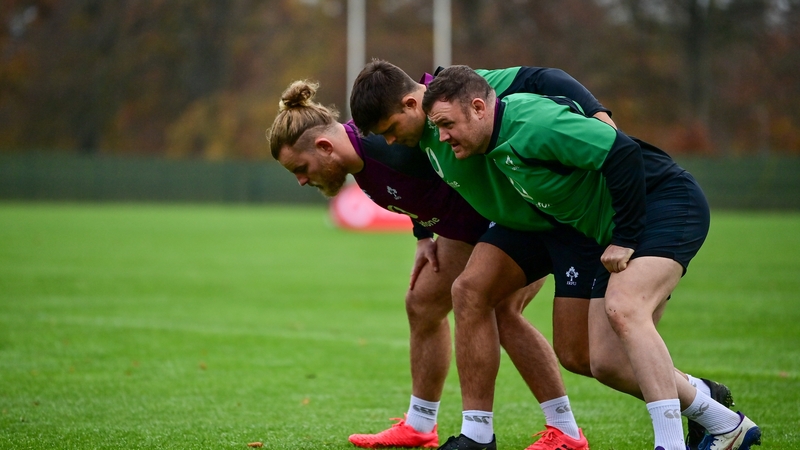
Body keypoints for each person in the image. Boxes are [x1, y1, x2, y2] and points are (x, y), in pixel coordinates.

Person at [350, 60, 738, 450]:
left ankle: (667, 436)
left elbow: (589, 122)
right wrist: (423, 234)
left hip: (624, 214)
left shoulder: (509, 114)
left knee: (620, 318)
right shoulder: (436, 132)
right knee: (575, 351)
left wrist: (598, 118)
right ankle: (478, 434)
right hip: (552, 221)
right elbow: (418, 191)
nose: (392, 142)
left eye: (392, 130)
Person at [267, 79, 592, 450]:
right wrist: (422, 235)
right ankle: (420, 425)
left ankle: (564, 430)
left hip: (514, 220)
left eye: (301, 167)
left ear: (325, 146)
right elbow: (419, 191)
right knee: (422, 303)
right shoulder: (373, 152)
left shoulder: (391, 146)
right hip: (466, 231)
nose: (301, 180)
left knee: (502, 309)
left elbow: (469, 147)